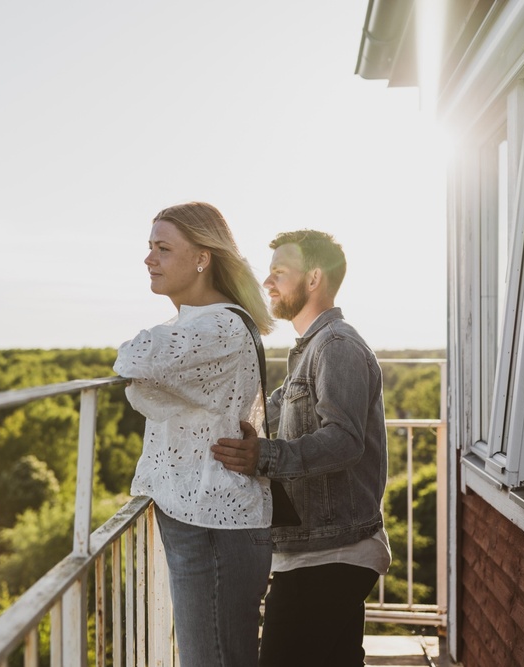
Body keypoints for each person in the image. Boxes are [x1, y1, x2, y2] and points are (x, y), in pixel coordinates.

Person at [211, 229, 391, 667]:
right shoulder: (310, 351)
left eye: (278, 273)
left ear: (313, 279)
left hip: (332, 554)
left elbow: (345, 441)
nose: (267, 283)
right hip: (320, 551)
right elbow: (268, 419)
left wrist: (265, 457)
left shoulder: (337, 346)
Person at [112, 201, 276, 667]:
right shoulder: (194, 324)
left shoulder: (220, 325)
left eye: (163, 248)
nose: (149, 259)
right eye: (149, 247)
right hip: (201, 519)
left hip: (213, 524)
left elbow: (134, 358)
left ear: (203, 257)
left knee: (214, 660)